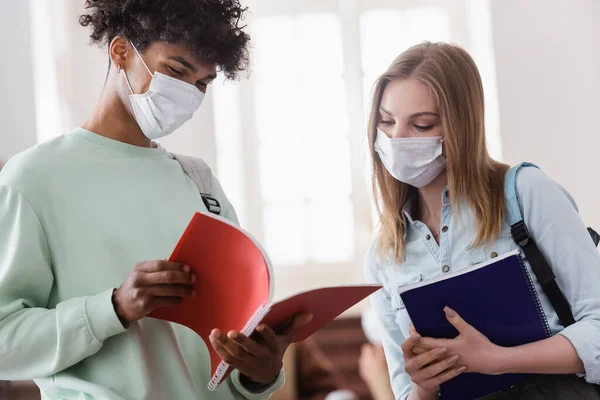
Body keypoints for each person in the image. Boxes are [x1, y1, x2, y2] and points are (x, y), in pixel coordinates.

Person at [0, 1, 310, 399]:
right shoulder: (34, 179)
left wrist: (260, 373)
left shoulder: (200, 184)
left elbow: (225, 355)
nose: (188, 94)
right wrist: (113, 307)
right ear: (121, 51)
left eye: (202, 82)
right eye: (176, 71)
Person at [364, 41, 600, 400]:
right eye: (387, 122)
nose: (397, 140)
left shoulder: (526, 192)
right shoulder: (383, 256)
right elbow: (404, 393)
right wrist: (422, 384)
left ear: (461, 127)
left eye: (422, 124)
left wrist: (499, 360)